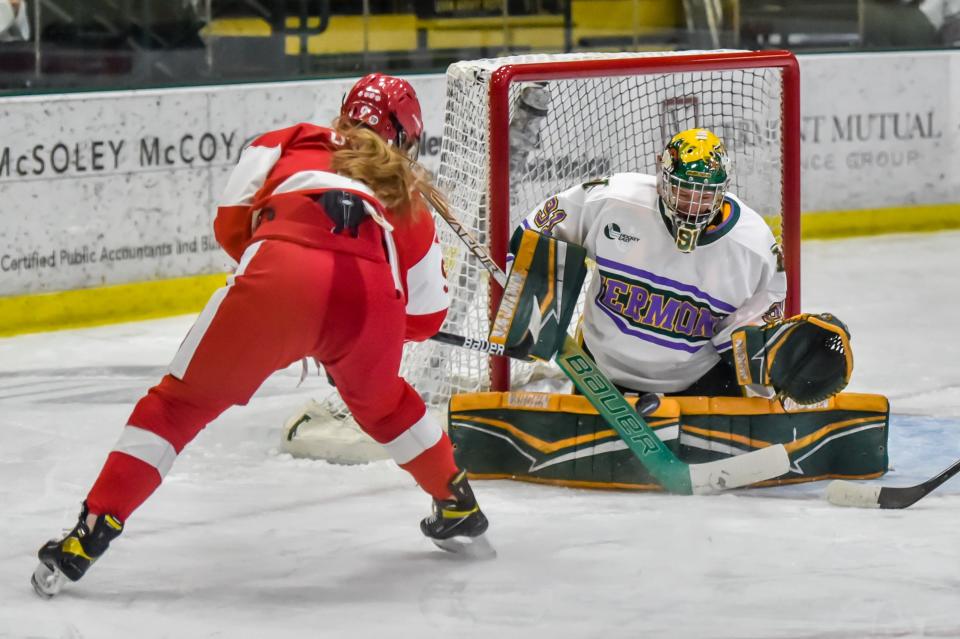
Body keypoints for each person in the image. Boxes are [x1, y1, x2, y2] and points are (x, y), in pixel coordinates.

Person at [32, 73, 492, 599]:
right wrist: (351, 333)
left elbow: (230, 225)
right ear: (407, 137)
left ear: (345, 112)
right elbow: (427, 317)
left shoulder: (288, 140)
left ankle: (86, 538)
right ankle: (459, 506)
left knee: (176, 407)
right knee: (386, 407)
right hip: (369, 303)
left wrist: (292, 308)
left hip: (279, 272)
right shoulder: (408, 194)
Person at [515, 127, 787, 398]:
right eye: (683, 191)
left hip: (699, 382)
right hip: (599, 372)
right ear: (662, 180)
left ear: (723, 191)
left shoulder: (755, 248)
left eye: (705, 195)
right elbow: (543, 228)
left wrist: (774, 363)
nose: (692, 207)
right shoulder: (614, 200)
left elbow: (752, 334)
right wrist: (530, 308)